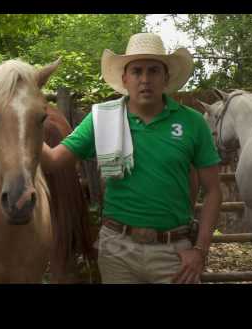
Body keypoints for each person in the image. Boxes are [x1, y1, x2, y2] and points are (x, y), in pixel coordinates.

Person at [41, 33, 222, 284]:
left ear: (166, 77)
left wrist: (200, 251)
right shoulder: (102, 119)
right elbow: (52, 160)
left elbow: (213, 191)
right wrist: (20, 122)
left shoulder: (192, 122)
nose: (145, 79)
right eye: (137, 71)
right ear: (125, 79)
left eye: (153, 71)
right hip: (117, 252)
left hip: (175, 254)